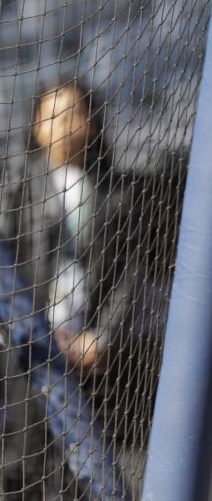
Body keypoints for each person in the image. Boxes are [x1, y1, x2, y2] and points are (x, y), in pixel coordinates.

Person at [0, 80, 133, 499]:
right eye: (51, 116)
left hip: (85, 352)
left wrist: (100, 335)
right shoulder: (17, 185)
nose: (62, 125)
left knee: (78, 472)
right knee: (21, 461)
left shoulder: (115, 194)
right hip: (24, 348)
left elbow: (126, 277)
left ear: (92, 124)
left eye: (73, 113)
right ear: (36, 127)